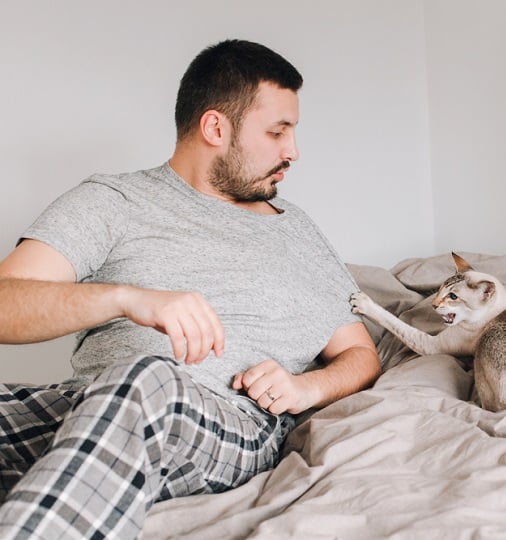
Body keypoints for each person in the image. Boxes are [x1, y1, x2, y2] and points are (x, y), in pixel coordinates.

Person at [0, 39, 380, 539]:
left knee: (146, 381)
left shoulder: (297, 230)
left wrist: (306, 387)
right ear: (215, 127)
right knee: (128, 388)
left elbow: (360, 352)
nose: (293, 151)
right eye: (276, 132)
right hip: (87, 402)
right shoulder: (111, 201)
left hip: (228, 422)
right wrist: (124, 297)